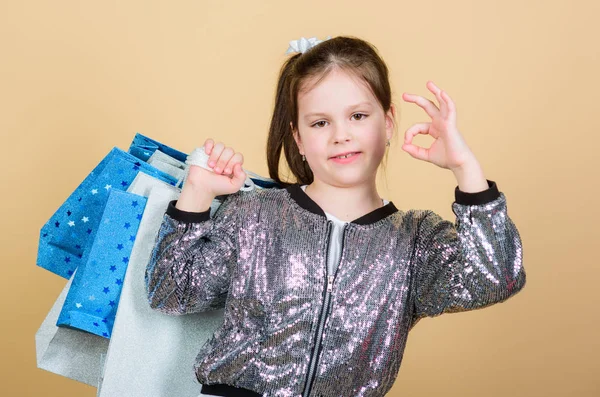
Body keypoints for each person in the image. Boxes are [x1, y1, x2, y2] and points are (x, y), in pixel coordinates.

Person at [144, 35, 526, 397]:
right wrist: (196, 194)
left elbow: (495, 279)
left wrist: (466, 169)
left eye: (358, 115)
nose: (341, 135)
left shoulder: (416, 240)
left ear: (388, 122)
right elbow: (172, 294)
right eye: (320, 122)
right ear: (298, 138)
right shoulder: (255, 214)